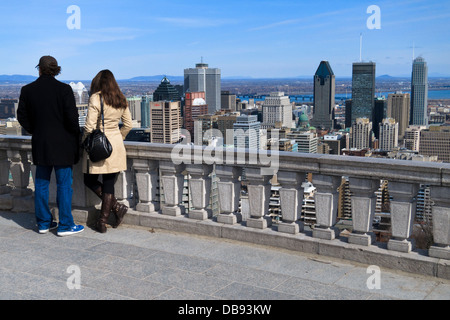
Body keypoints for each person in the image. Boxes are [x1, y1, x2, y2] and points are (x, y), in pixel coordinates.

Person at [17, 56, 84, 236]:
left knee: (41, 184)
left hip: (41, 143)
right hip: (63, 145)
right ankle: (65, 225)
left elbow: (21, 117)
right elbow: (72, 118)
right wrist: (73, 136)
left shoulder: (27, 90)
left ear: (39, 69)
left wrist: (36, 130)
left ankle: (44, 224)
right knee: (64, 185)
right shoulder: (64, 90)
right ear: (56, 70)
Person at [82, 69, 132, 233]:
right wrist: (119, 138)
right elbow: (128, 125)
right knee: (109, 184)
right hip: (116, 145)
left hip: (99, 145)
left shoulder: (96, 97)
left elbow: (89, 126)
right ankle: (107, 217)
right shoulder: (120, 98)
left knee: (89, 180)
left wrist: (85, 142)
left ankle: (106, 218)